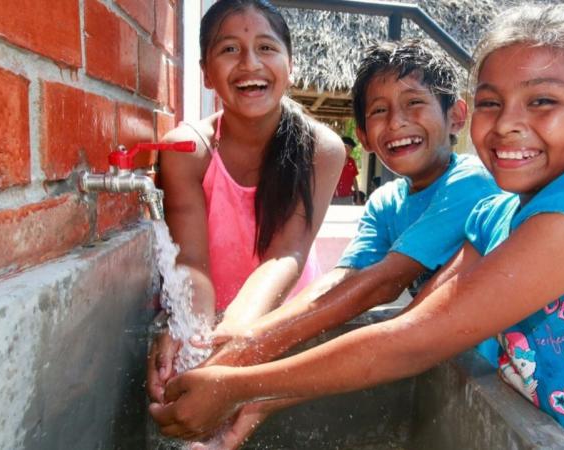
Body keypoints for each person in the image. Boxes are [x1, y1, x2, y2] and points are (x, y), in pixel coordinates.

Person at [154, 5, 564, 447]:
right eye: (492, 102)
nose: (507, 123)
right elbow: (414, 319)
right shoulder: (494, 216)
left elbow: (412, 341)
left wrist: (240, 382)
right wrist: (259, 395)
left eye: (542, 101)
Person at [151, 38, 500, 447]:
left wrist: (243, 358)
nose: (396, 122)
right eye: (379, 111)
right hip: (437, 360)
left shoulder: (470, 183)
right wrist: (240, 342)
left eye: (414, 103)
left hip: (487, 374)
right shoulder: (387, 202)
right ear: (364, 136)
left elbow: (380, 285)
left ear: (456, 116)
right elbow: (342, 282)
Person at [146, 0, 344, 413]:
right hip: (208, 311)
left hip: (283, 321)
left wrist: (237, 331)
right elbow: (192, 263)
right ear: (205, 73)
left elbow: (287, 253)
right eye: (230, 49)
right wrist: (193, 332)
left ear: (290, 65)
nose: (250, 63)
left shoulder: (321, 149)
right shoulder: (187, 150)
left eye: (266, 48)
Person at [332, 136, 360, 204]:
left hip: (348, 197)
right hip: (333, 197)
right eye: (347, 146)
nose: (349, 149)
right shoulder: (333, 160)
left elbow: (354, 179)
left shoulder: (352, 162)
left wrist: (358, 196)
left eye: (351, 148)